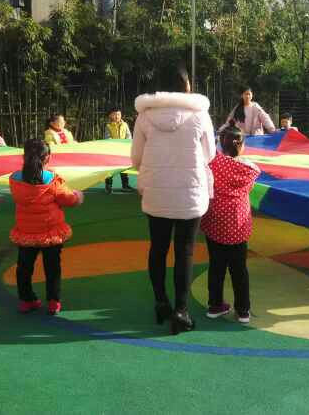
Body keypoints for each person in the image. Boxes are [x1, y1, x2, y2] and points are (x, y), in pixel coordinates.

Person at [131, 65, 216, 335]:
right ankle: (181, 309)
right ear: (186, 85)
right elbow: (210, 155)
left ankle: (161, 302)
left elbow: (136, 158)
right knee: (185, 250)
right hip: (189, 192)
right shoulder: (200, 114)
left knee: (158, 248)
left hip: (156, 191)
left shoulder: (145, 116)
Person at [9, 139, 84, 315]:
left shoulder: (15, 179)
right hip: (50, 232)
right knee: (52, 268)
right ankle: (53, 301)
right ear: (48, 158)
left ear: (24, 157)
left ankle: (26, 300)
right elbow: (69, 199)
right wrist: (78, 196)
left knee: (24, 267)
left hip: (27, 232)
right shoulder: (52, 180)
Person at [201, 126, 261, 324]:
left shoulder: (213, 163)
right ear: (241, 145)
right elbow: (250, 185)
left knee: (216, 267)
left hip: (215, 221)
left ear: (221, 143)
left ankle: (215, 305)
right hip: (237, 224)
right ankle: (243, 310)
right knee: (239, 269)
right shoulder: (249, 170)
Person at [103, 108, 134, 194]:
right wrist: (114, 144)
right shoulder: (108, 126)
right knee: (110, 169)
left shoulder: (125, 125)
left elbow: (129, 136)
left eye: (118, 114)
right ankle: (108, 186)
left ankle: (125, 185)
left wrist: (126, 143)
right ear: (110, 116)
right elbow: (107, 138)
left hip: (122, 151)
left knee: (124, 168)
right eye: (115, 114)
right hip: (111, 151)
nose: (117, 116)